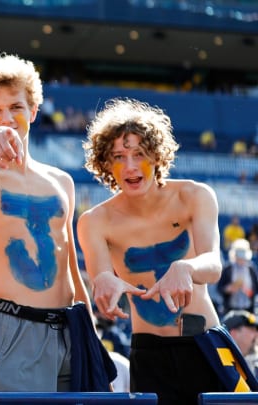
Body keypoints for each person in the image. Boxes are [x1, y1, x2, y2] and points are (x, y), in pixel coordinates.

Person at [77, 97, 258, 404]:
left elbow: (213, 265)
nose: (130, 166)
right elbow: (103, 279)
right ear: (105, 163)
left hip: (207, 342)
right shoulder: (94, 221)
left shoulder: (194, 196)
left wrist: (185, 267)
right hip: (150, 354)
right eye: (119, 156)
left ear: (157, 155)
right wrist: (103, 283)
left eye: (139, 154)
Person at [0, 53, 115, 392]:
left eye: (15, 107)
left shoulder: (61, 181)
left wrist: (90, 332)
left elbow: (70, 262)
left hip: (70, 327)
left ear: (33, 111)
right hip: (11, 327)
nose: (7, 118)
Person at [217, 238, 258, 315]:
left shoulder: (251, 268)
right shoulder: (228, 268)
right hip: (230, 310)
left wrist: (246, 290)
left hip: (248, 310)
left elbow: (255, 290)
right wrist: (228, 289)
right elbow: (220, 288)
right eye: (239, 256)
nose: (241, 260)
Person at [223, 309, 258, 377]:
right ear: (233, 333)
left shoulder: (255, 368)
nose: (257, 335)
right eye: (252, 330)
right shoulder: (220, 367)